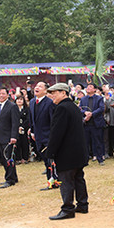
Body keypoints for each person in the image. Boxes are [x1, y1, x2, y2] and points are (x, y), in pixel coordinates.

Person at [45, 83, 89, 220]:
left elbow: (57, 133)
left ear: (63, 93)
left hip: (67, 152)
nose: (52, 95)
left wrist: (50, 152)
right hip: (78, 151)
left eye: (54, 92)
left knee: (66, 180)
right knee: (78, 178)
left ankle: (68, 208)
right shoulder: (73, 107)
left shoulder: (62, 108)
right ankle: (82, 204)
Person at [29, 81, 57, 190]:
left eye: (40, 86)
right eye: (36, 86)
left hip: (48, 137)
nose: (37, 87)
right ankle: (51, 181)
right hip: (37, 137)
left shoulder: (50, 103)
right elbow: (32, 120)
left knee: (51, 161)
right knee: (46, 162)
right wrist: (32, 131)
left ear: (46, 90)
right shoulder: (32, 102)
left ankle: (54, 182)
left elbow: (53, 121)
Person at [80, 83, 106, 165]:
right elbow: (80, 108)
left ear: (95, 89)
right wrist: (85, 113)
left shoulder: (99, 98)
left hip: (96, 123)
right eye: (87, 87)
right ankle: (85, 160)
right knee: (85, 143)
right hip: (86, 123)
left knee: (98, 141)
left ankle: (100, 159)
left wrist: (92, 114)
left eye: (90, 87)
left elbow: (101, 108)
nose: (88, 88)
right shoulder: (83, 99)